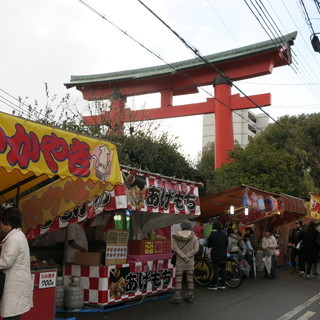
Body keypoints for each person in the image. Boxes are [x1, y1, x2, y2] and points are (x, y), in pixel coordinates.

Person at [0, 207, 33, 319]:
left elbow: (6, 262)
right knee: (13, 314)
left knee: (12, 315)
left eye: (1, 222)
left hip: (14, 285)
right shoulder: (17, 235)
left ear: (7, 222)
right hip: (17, 284)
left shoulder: (14, 238)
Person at [169, 220, 199, 304]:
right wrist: (188, 256)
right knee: (190, 279)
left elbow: (175, 248)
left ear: (181, 226)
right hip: (189, 262)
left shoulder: (176, 236)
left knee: (178, 279)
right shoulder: (194, 237)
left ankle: (177, 296)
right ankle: (190, 295)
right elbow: (196, 249)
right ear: (190, 227)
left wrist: (183, 256)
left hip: (180, 262)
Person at [206, 220, 228, 290]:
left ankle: (215, 284)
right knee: (223, 269)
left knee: (215, 269)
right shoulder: (224, 234)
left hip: (215, 254)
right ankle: (222, 284)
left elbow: (209, 244)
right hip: (224, 254)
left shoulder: (212, 234)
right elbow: (227, 243)